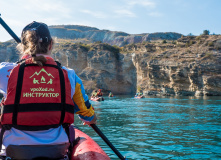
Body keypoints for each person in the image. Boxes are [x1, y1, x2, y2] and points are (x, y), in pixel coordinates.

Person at [0, 21, 97, 159]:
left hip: (14, 151)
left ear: (22, 47)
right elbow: (88, 115)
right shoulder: (70, 75)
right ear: (51, 44)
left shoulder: (4, 71)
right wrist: (92, 119)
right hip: (57, 151)